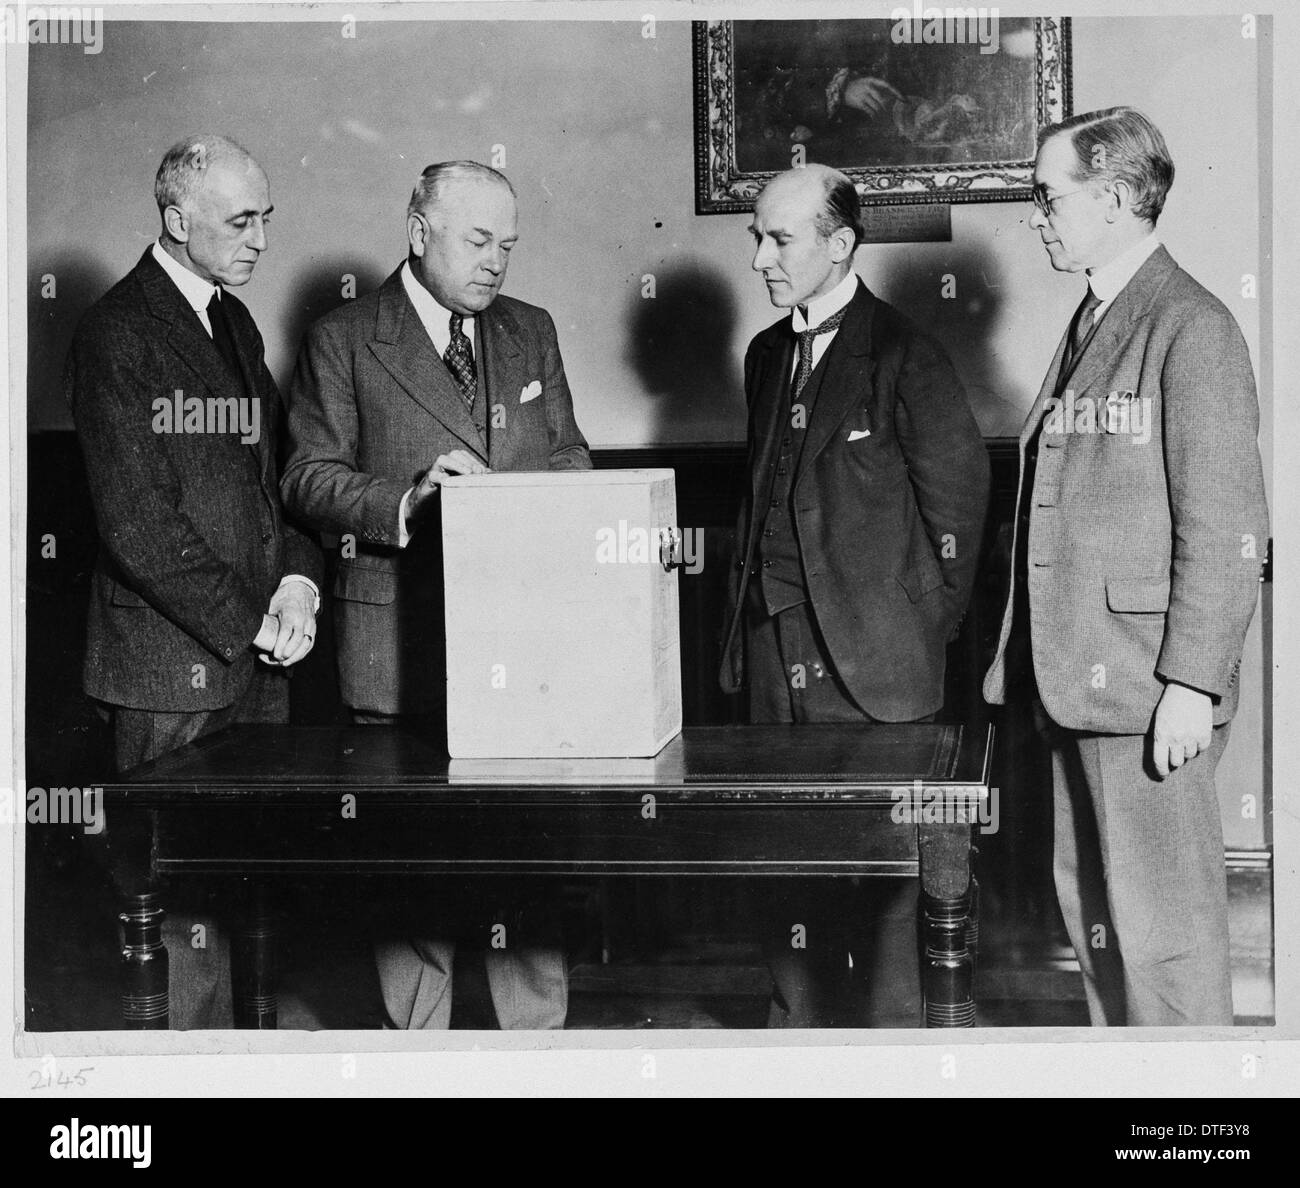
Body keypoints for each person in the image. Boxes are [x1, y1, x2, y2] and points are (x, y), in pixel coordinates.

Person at [281, 160, 590, 1030]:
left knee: (526, 872)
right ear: (420, 234)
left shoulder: (531, 331)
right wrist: (410, 499)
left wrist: (509, 498)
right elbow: (306, 477)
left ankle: (539, 1065)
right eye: (479, 240)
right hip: (395, 654)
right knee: (413, 876)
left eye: (509, 245)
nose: (498, 262)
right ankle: (416, 1066)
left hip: (522, 652)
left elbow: (573, 457)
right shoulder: (344, 336)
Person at [983, 107, 1268, 1026]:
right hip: (1079, 684)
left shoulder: (1191, 326)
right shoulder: (1101, 315)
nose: (1036, 214)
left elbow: (1228, 527)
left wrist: (1190, 684)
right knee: (1099, 924)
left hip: (1146, 692)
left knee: (1165, 945)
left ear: (1112, 199)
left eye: (1047, 195)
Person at [719, 163, 989, 1026]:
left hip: (875, 670)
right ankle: (795, 1042)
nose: (760, 256)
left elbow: (960, 506)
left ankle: (889, 1058)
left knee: (889, 880)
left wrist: (914, 632)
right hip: (772, 655)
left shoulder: (907, 353)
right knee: (783, 863)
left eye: (780, 239)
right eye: (756, 237)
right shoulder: (766, 356)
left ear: (840, 246)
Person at [66, 133, 322, 1027]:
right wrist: (255, 617)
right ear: (177, 221)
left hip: (253, 664)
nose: (259, 240)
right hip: (166, 671)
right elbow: (138, 527)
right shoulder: (114, 333)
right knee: (172, 923)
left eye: (266, 220)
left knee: (244, 899)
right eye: (240, 222)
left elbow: (275, 481)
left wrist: (296, 583)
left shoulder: (233, 320)